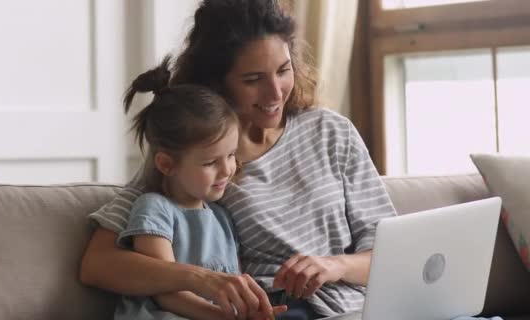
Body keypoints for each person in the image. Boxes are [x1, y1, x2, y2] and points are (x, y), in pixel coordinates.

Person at [80, 1, 501, 319]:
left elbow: (390, 255)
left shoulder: (331, 132)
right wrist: (204, 279)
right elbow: (100, 264)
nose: (275, 92)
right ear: (215, 81)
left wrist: (333, 265)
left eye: (283, 70)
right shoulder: (198, 157)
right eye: (253, 80)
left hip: (366, 309)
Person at [111, 56, 285, 320]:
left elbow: (233, 285)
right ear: (167, 164)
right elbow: (164, 290)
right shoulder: (154, 208)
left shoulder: (222, 217)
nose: (227, 169)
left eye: (230, 156)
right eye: (210, 162)